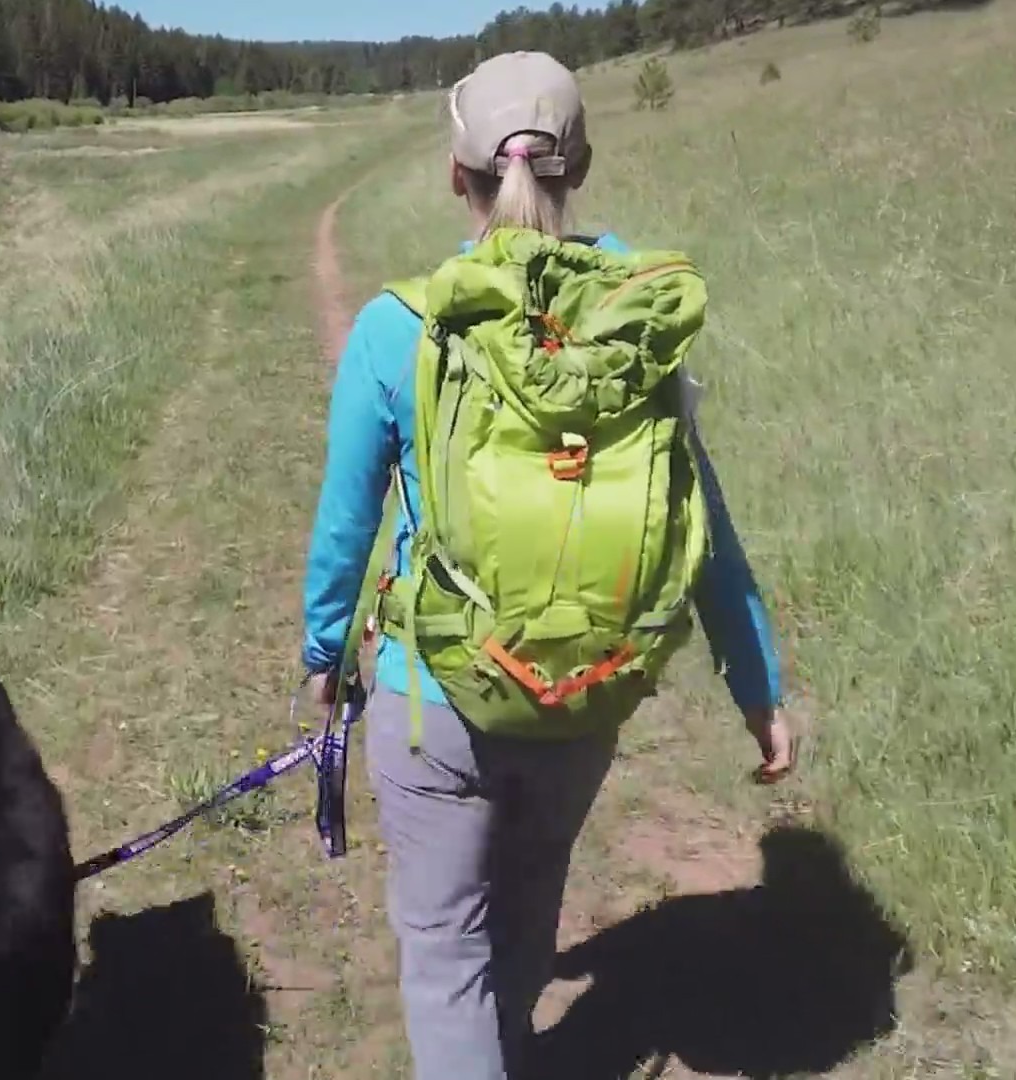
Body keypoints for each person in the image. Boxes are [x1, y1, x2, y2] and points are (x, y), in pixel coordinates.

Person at [298, 52, 797, 1080]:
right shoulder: (637, 317)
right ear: (582, 164)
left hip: (434, 699)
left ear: (456, 175)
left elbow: (345, 527)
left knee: (445, 959)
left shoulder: (401, 325)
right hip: (583, 696)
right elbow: (700, 518)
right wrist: (758, 685)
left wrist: (321, 649)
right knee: (527, 908)